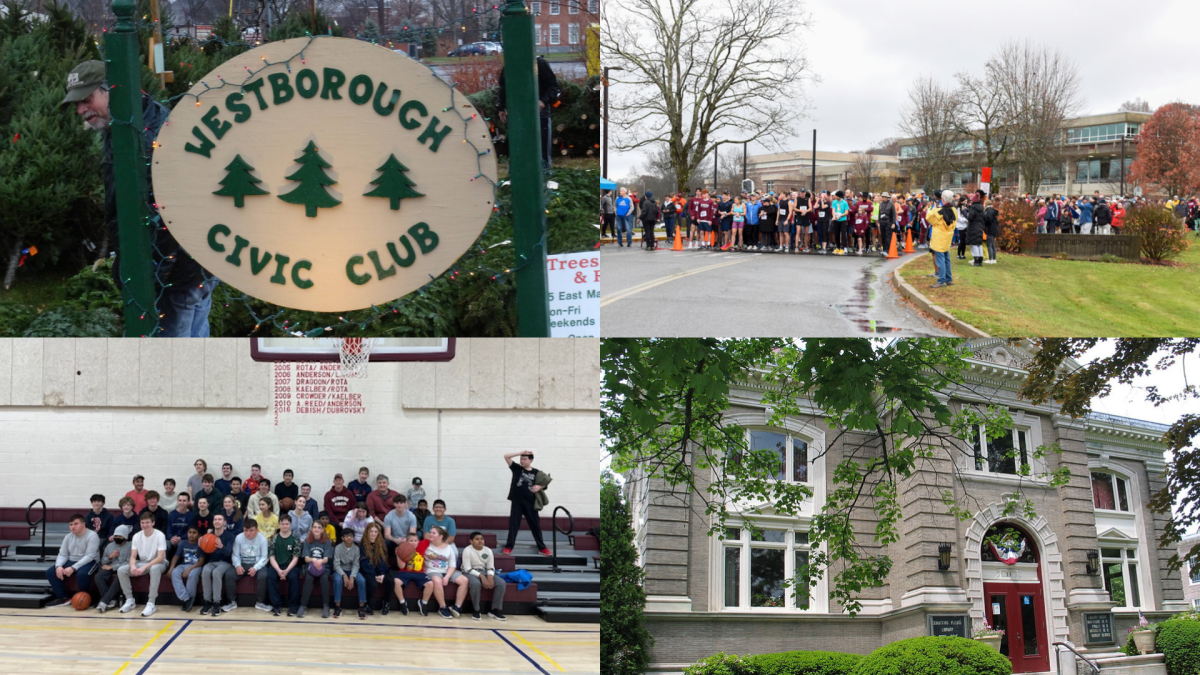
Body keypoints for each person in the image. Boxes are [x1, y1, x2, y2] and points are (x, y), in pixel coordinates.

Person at [63, 60, 216, 336]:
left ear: (112, 90)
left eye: (86, 99)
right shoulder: (126, 126)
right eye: (76, 104)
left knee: (171, 366)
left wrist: (150, 278)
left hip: (177, 277)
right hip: (190, 271)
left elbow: (171, 218)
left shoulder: (149, 140)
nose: (80, 110)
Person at [496, 54, 561, 170]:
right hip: (517, 112)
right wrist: (501, 107)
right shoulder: (510, 65)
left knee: (541, 146)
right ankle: (515, 172)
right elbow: (503, 87)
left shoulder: (540, 63)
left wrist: (543, 101)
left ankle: (544, 171)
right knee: (517, 146)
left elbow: (554, 86)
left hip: (540, 113)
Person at [118, 511, 168, 616]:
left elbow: (160, 557)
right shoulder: (136, 536)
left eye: (147, 522)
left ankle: (151, 603)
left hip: (159, 563)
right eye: (142, 523)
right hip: (143, 562)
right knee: (121, 570)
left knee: (154, 569)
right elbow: (132, 556)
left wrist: (143, 567)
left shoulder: (160, 535)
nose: (145, 525)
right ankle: (130, 600)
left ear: (153, 523)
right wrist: (132, 566)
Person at [45, 513, 100, 607]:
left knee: (82, 574)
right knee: (51, 572)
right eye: (71, 524)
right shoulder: (68, 537)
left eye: (75, 524)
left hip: (90, 561)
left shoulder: (92, 535)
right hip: (72, 560)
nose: (72, 527)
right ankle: (63, 598)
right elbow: (62, 554)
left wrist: (73, 568)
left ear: (83, 524)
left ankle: (86, 598)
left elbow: (90, 556)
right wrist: (58, 566)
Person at [502, 451, 551, 555]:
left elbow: (545, 483)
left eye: (524, 459)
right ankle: (508, 547)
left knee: (535, 525)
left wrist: (539, 487)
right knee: (513, 525)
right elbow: (506, 456)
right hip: (517, 501)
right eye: (521, 459)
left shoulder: (536, 472)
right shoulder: (516, 469)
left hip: (530, 502)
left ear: (531, 460)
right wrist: (521, 452)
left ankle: (542, 548)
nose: (522, 461)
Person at [424, 526, 468, 619]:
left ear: (440, 536)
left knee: (464, 580)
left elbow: (452, 565)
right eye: (430, 532)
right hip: (432, 570)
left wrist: (447, 577)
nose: (430, 534)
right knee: (437, 581)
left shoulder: (449, 547)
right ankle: (442, 607)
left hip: (447, 570)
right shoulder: (425, 545)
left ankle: (457, 607)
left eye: (433, 533)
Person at [199, 513, 237, 617]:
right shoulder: (209, 536)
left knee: (216, 573)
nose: (217, 521)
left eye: (220, 519)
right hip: (211, 562)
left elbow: (228, 552)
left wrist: (221, 546)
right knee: (205, 571)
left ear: (224, 522)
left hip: (225, 562)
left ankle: (217, 602)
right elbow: (204, 553)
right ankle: (207, 601)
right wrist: (200, 545)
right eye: (215, 519)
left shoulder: (230, 536)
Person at [463, 531, 507, 621]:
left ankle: (495, 610)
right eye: (477, 539)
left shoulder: (488, 550)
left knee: (501, 583)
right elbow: (467, 568)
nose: (480, 541)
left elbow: (490, 566)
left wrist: (490, 577)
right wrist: (482, 577)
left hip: (484, 571)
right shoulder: (467, 550)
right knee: (475, 584)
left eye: (482, 539)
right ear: (471, 541)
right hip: (469, 572)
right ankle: (476, 610)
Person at [267, 513, 303, 616]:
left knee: (293, 577)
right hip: (277, 565)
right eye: (282, 524)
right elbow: (272, 557)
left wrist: (286, 571)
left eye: (287, 524)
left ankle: (293, 606)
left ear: (290, 524)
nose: (284, 526)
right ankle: (277, 605)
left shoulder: (295, 539)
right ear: (279, 525)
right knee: (270, 576)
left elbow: (296, 558)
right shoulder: (274, 539)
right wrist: (279, 570)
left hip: (291, 566)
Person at [231, 518, 270, 614]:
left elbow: (265, 557)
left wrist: (255, 568)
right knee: (229, 574)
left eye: (251, 530)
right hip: (242, 563)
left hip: (257, 564)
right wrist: (237, 565)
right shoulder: (239, 538)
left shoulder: (263, 539)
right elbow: (235, 554)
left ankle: (260, 602)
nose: (248, 533)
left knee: (263, 575)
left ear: (257, 530)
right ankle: (232, 602)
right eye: (245, 530)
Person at [299, 521, 333, 618]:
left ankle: (326, 605)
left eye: (319, 527)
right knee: (309, 579)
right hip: (311, 566)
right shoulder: (307, 541)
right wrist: (314, 560)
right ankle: (303, 605)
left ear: (322, 530)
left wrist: (320, 562)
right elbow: (306, 558)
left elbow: (326, 559)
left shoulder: (327, 541)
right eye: (315, 527)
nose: (317, 529)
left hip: (324, 567)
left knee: (324, 579)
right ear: (311, 529)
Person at [95, 525, 133, 612]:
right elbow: (103, 562)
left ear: (125, 537)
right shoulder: (109, 546)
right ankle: (111, 600)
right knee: (98, 576)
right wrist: (110, 557)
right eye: (116, 536)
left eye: (120, 536)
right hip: (109, 567)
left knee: (120, 575)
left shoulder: (130, 546)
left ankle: (104, 601)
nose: (117, 538)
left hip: (122, 569)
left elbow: (129, 562)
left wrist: (113, 567)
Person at [392, 532, 431, 616]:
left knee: (430, 584)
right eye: (411, 541)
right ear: (406, 541)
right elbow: (401, 566)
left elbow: (431, 538)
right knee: (396, 582)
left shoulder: (422, 545)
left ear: (419, 541)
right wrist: (398, 555)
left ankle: (423, 603)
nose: (413, 542)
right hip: (405, 572)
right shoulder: (403, 549)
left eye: (415, 541)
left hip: (419, 573)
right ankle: (402, 603)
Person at [168, 525, 205, 612]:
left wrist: (189, 569)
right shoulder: (182, 543)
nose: (191, 535)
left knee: (192, 575)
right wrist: (171, 568)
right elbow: (176, 557)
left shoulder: (201, 545)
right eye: (189, 532)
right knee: (174, 572)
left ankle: (190, 599)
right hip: (184, 564)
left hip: (196, 565)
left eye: (194, 533)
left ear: (199, 535)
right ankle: (186, 598)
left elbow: (201, 561)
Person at [927, 190, 958, 289]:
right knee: (946, 258)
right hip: (948, 237)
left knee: (940, 260)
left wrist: (932, 208)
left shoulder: (938, 211)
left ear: (942, 199)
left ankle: (941, 280)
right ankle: (948, 279)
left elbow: (929, 218)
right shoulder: (954, 210)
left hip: (939, 237)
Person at [332, 529, 366, 619]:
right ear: (342, 538)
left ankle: (361, 607)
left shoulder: (356, 548)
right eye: (347, 536)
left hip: (352, 570)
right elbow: (336, 565)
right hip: (340, 570)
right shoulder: (338, 548)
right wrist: (344, 575)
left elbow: (356, 565)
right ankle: (337, 606)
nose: (349, 538)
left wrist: (352, 576)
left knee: (362, 580)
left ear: (353, 537)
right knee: (337, 580)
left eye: (351, 536)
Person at [360, 522, 392, 615]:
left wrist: (381, 573)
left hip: (379, 570)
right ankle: (368, 604)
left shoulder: (382, 543)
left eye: (375, 531)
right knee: (373, 584)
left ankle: (386, 603)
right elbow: (365, 563)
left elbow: (383, 560)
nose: (373, 534)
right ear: (367, 532)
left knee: (390, 580)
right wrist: (374, 575)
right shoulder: (362, 544)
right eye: (371, 531)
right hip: (368, 570)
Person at [383, 494, 418, 565]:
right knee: (385, 541)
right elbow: (387, 535)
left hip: (407, 540)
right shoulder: (388, 516)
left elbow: (412, 533)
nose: (399, 505)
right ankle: (387, 562)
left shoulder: (411, 516)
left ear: (405, 504)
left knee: (417, 537)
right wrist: (395, 540)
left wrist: (406, 540)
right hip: (394, 540)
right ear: (394, 504)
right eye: (397, 503)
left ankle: (413, 560)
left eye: (401, 503)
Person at [166, 491, 195, 557]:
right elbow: (168, 530)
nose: (181, 503)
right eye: (180, 500)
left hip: (184, 539)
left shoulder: (192, 515)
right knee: (166, 544)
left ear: (188, 502)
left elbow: (191, 532)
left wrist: (180, 538)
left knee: (181, 544)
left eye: (184, 501)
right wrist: (171, 538)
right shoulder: (171, 514)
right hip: (171, 539)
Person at [965, 192, 986, 267]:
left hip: (973, 227)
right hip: (979, 227)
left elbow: (970, 218)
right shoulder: (981, 208)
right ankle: (980, 260)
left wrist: (968, 215)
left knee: (974, 244)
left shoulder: (973, 208)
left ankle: (976, 261)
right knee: (979, 244)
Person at [984, 197, 1000, 264]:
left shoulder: (989, 211)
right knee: (992, 244)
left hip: (990, 229)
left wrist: (984, 221)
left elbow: (988, 219)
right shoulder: (992, 210)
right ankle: (993, 259)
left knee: (989, 244)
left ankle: (990, 259)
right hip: (994, 229)